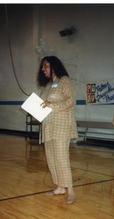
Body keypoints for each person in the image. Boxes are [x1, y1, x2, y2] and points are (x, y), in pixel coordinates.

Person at [37, 56, 78, 204]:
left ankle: (71, 191)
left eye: (46, 66)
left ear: (54, 66)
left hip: (61, 126)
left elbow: (71, 101)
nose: (43, 69)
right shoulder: (48, 86)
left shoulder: (64, 81)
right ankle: (60, 187)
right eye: (43, 67)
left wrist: (52, 106)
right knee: (51, 158)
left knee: (61, 158)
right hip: (48, 126)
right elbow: (44, 105)